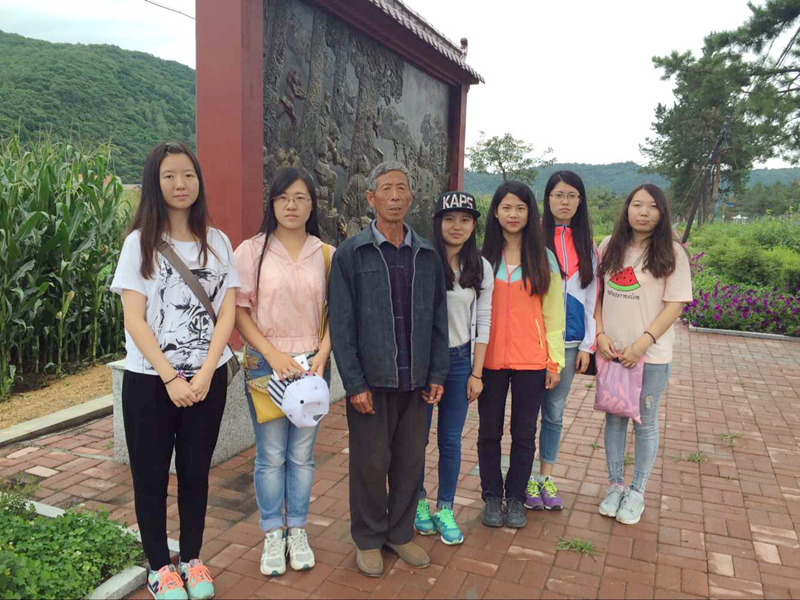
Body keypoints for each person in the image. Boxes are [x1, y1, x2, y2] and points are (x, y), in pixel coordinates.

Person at [111, 141, 239, 600]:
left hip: (208, 379)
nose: (180, 184)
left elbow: (228, 310)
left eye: (188, 174)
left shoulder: (218, 242)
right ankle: (159, 567)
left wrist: (204, 374)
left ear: (198, 181)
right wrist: (170, 377)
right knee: (149, 476)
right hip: (151, 381)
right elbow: (134, 318)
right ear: (155, 182)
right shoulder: (138, 243)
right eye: (169, 175)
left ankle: (192, 559)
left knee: (195, 473)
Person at [329, 160, 449, 577]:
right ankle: (368, 538)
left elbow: (439, 320)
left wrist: (437, 373)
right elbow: (341, 326)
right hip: (372, 383)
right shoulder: (351, 254)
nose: (395, 196)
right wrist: (354, 383)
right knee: (369, 464)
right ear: (371, 198)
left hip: (415, 381)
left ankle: (399, 533)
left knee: (410, 462)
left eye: (401, 188)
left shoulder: (427, 255)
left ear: (411, 197)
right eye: (386, 189)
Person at [233, 167, 333, 576]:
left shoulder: (326, 254)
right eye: (283, 197)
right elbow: (238, 311)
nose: (291, 205)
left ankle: (298, 531)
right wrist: (272, 354)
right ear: (272, 203)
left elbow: (337, 313)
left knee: (302, 457)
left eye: (300, 197)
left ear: (312, 204)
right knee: (271, 455)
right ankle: (273, 533)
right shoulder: (251, 251)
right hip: (266, 366)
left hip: (312, 365)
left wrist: (323, 353)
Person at [595, 183, 692, 525]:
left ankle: (636, 491)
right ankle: (615, 485)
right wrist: (600, 333)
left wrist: (642, 344)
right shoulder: (609, 246)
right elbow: (597, 296)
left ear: (662, 213)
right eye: (637, 204)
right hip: (612, 353)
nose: (644, 212)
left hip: (650, 357)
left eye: (652, 206)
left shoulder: (672, 253)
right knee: (614, 418)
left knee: (644, 422)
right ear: (627, 209)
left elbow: (675, 305)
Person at [478, 181, 565, 529]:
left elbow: (554, 314)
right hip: (489, 360)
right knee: (489, 431)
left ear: (530, 213)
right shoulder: (483, 258)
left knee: (524, 433)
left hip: (532, 361)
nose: (513, 214)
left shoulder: (543, 258)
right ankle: (491, 496)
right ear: (496, 212)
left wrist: (553, 361)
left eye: (520, 208)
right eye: (506, 207)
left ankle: (515, 498)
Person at [413, 191, 494, 545]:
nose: (457, 226)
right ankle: (417, 502)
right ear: (438, 223)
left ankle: (445, 507)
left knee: (449, 439)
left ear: (474, 225)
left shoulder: (481, 267)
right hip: (424, 362)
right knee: (416, 438)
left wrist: (477, 373)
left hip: (460, 361)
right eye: (449, 219)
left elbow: (484, 321)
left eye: (465, 219)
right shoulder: (422, 259)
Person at [526, 171, 599, 511]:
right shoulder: (533, 240)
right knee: (527, 412)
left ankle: (546, 477)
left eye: (571, 195)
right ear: (548, 199)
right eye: (558, 195)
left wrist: (587, 345)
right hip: (532, 341)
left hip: (570, 344)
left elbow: (592, 295)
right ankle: (525, 476)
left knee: (554, 412)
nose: (564, 201)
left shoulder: (588, 246)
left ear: (580, 201)